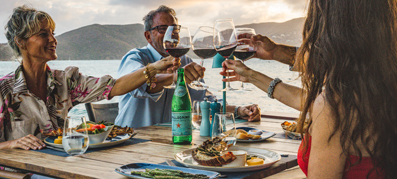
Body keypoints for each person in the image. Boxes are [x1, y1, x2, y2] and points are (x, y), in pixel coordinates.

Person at [221, 0, 396, 178]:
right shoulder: (381, 85)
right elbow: (319, 98)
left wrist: (255, 73)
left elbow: (326, 107)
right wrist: (267, 61)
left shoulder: (335, 106)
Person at [0, 5, 179, 151]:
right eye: (43, 34)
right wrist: (11, 143)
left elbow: (114, 87)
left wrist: (153, 68)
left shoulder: (66, 81)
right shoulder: (4, 91)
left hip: (62, 166)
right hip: (21, 173)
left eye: (53, 33)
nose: (53, 39)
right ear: (20, 41)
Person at [115, 5, 261, 128]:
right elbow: (140, 85)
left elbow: (205, 102)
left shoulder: (185, 61)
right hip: (133, 141)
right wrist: (175, 78)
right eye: (162, 29)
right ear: (148, 36)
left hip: (170, 142)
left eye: (174, 29)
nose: (170, 35)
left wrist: (239, 110)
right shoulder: (135, 57)